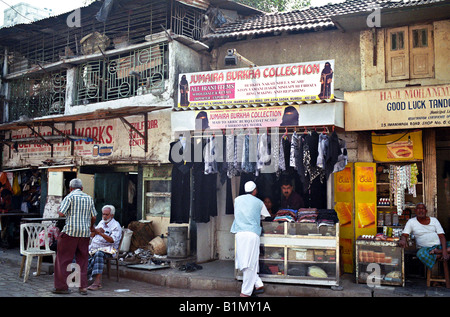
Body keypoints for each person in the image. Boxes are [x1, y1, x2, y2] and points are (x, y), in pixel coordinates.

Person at [52, 178, 97, 295]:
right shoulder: (89, 198)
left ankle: (62, 287)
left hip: (70, 232)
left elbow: (61, 213)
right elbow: (94, 216)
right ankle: (83, 287)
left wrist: (60, 209)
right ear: (82, 188)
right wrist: (91, 227)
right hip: (84, 233)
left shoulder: (69, 197)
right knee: (83, 260)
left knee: (63, 259)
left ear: (70, 188)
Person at [231, 181, 270, 297]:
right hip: (252, 234)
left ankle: (258, 284)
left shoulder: (237, 200)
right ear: (254, 190)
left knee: (244, 261)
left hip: (239, 233)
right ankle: (246, 292)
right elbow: (266, 216)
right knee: (250, 263)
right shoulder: (259, 202)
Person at [399, 203, 449, 271]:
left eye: (422, 208)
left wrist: (444, 251)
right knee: (420, 254)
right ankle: (440, 253)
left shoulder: (434, 220)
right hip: (425, 249)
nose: (420, 210)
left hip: (439, 246)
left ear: (426, 211)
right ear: (415, 211)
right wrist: (403, 240)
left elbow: (442, 236)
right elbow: (404, 235)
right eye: (418, 209)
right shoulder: (411, 222)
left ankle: (438, 251)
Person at [87, 205, 122, 291]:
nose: (104, 216)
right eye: (103, 214)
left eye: (107, 214)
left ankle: (97, 282)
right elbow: (92, 235)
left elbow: (112, 240)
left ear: (112, 215)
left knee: (99, 254)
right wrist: (95, 231)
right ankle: (81, 274)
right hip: (95, 247)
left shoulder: (115, 225)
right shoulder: (101, 223)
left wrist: (101, 233)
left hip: (109, 249)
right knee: (80, 250)